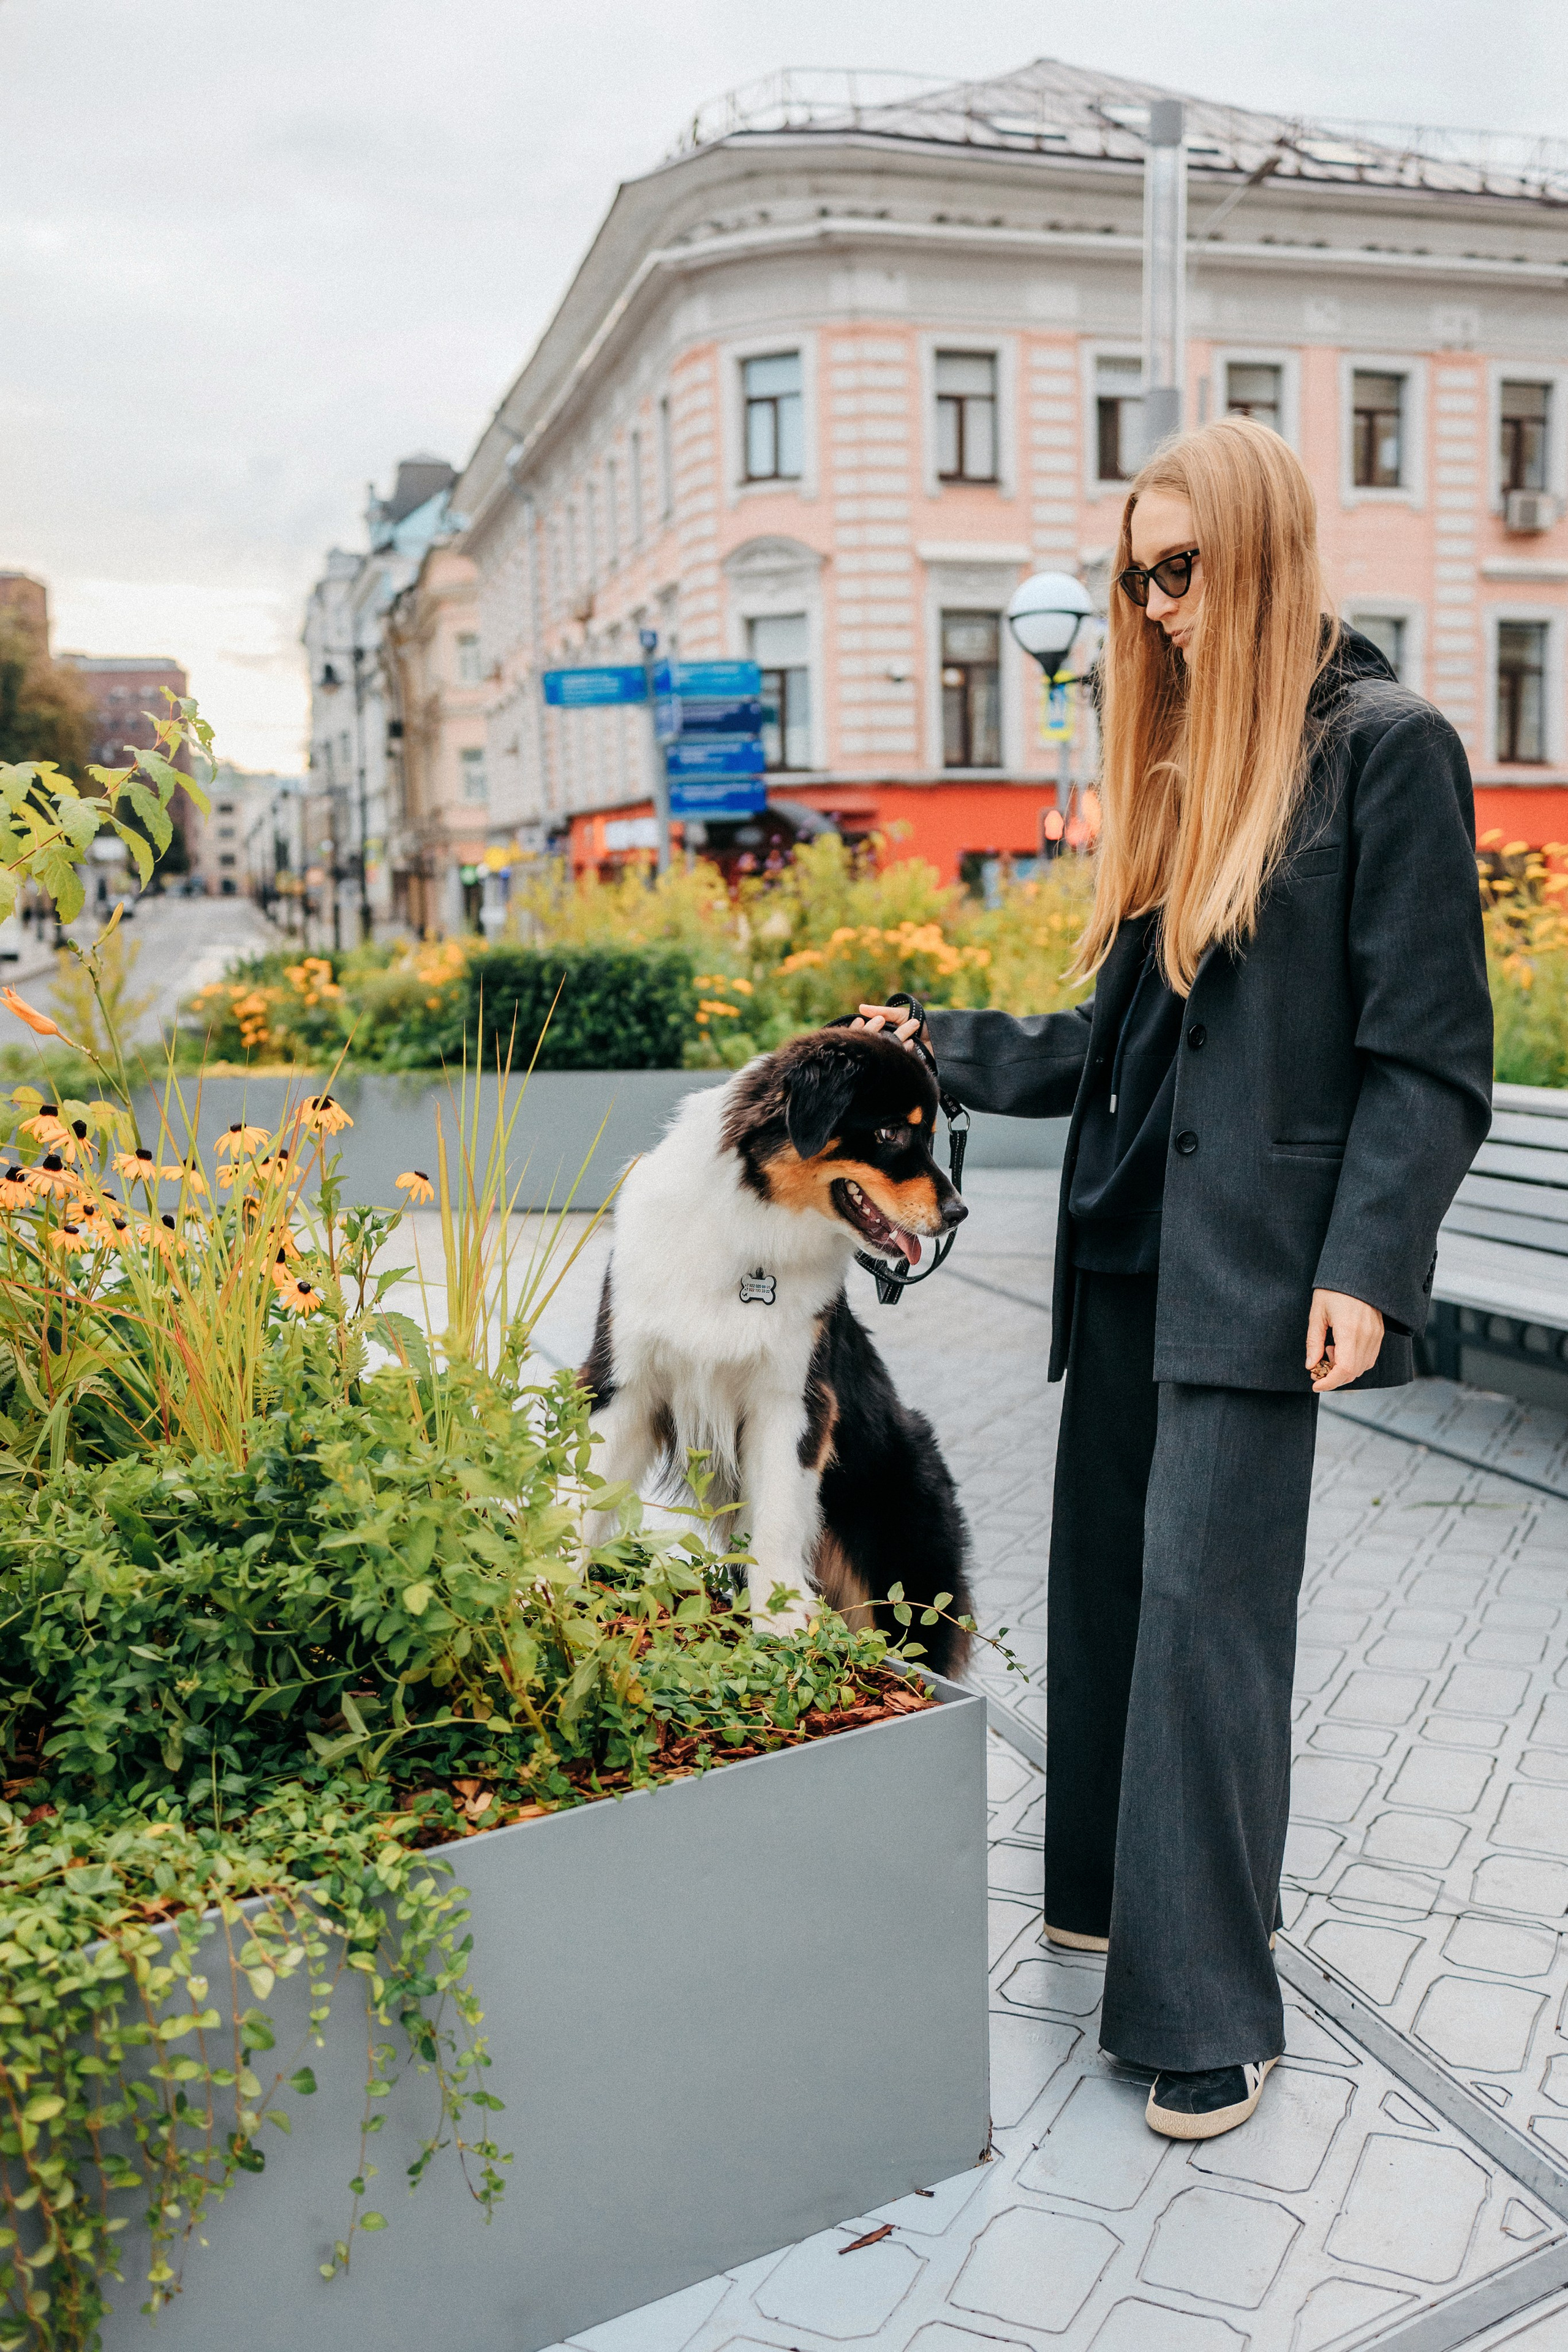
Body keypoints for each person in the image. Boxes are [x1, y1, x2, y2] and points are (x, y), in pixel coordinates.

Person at [854, 416, 1492, 2143]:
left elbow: (1428, 1059)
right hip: (1132, 1254)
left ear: (1267, 554)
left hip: (1268, 1274)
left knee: (1211, 1628)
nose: (1156, 605)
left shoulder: (1389, 751)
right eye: (1139, 576)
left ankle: (1208, 2005)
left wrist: (1371, 1261)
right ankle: (1103, 1896)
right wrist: (938, 1048)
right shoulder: (1190, 765)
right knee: (1111, 1601)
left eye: (1182, 570)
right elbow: (1114, 1042)